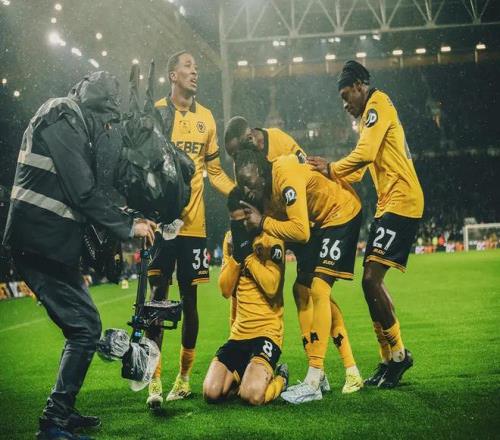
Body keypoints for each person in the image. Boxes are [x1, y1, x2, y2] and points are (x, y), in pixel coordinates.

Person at [2, 71, 156, 440]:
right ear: (95, 107)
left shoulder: (71, 120)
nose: (107, 129)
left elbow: (83, 191)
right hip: (38, 242)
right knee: (85, 328)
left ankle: (61, 411)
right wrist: (128, 226)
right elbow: (82, 191)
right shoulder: (62, 114)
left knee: (83, 326)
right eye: (106, 120)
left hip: (48, 244)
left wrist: (127, 216)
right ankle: (53, 423)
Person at [224, 117, 363, 396]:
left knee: (319, 289)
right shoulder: (260, 186)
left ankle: (317, 376)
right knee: (301, 291)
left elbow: (300, 230)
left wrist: (264, 223)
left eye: (250, 183)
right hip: (312, 222)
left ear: (260, 170)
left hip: (338, 213)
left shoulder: (282, 165)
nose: (248, 190)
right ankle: (340, 372)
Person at [307, 60, 424, 388]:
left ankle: (398, 356)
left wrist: (331, 168)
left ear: (360, 86)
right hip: (389, 203)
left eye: (347, 96)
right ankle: (388, 358)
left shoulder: (378, 104)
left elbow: (366, 154)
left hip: (402, 200)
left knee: (371, 280)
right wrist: (324, 178)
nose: (345, 104)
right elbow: (358, 170)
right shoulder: (367, 117)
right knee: (370, 282)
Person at [146, 51, 235, 407]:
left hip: (194, 227)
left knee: (190, 301)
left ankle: (183, 379)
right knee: (156, 299)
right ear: (172, 75)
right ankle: (154, 381)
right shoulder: (156, 112)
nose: (195, 72)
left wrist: (240, 194)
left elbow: (214, 172)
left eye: (196, 68)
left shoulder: (207, 118)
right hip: (161, 225)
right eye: (187, 67)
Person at [203, 189, 288, 405]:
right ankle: (245, 375)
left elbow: (272, 287)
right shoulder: (230, 240)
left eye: (243, 221)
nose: (239, 227)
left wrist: (248, 256)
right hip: (239, 334)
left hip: (267, 332)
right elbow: (225, 290)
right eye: (234, 222)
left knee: (251, 395)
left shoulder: (271, 237)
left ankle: (281, 379)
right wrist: (236, 257)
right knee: (211, 392)